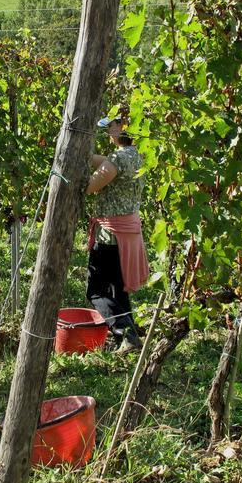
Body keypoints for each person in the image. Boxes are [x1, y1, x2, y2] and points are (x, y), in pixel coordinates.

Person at [85, 116, 150, 350]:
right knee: (117, 289)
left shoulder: (118, 158)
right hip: (129, 233)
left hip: (110, 235)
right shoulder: (138, 155)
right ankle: (129, 338)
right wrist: (87, 157)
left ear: (122, 127)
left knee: (95, 290)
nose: (108, 134)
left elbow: (90, 186)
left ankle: (125, 331)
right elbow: (109, 165)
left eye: (110, 128)